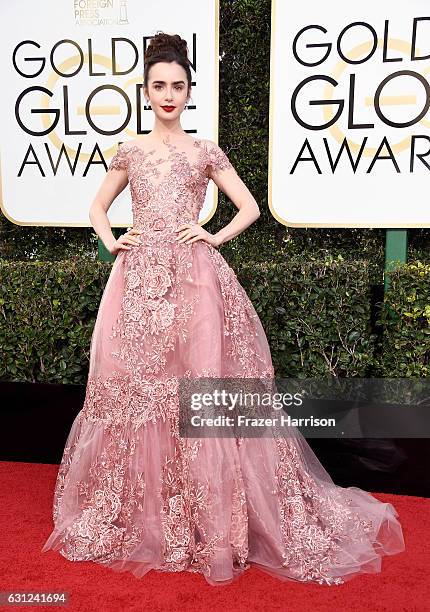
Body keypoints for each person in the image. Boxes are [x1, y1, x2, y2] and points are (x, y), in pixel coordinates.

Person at [41, 32, 405, 587]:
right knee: (138, 391)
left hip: (195, 284)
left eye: (178, 86)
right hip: (138, 284)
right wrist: (111, 238)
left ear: (190, 92)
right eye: (159, 86)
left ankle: (213, 522)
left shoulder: (204, 150)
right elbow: (96, 205)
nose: (169, 95)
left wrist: (210, 236)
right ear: (145, 91)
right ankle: (151, 513)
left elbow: (251, 207)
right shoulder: (132, 151)